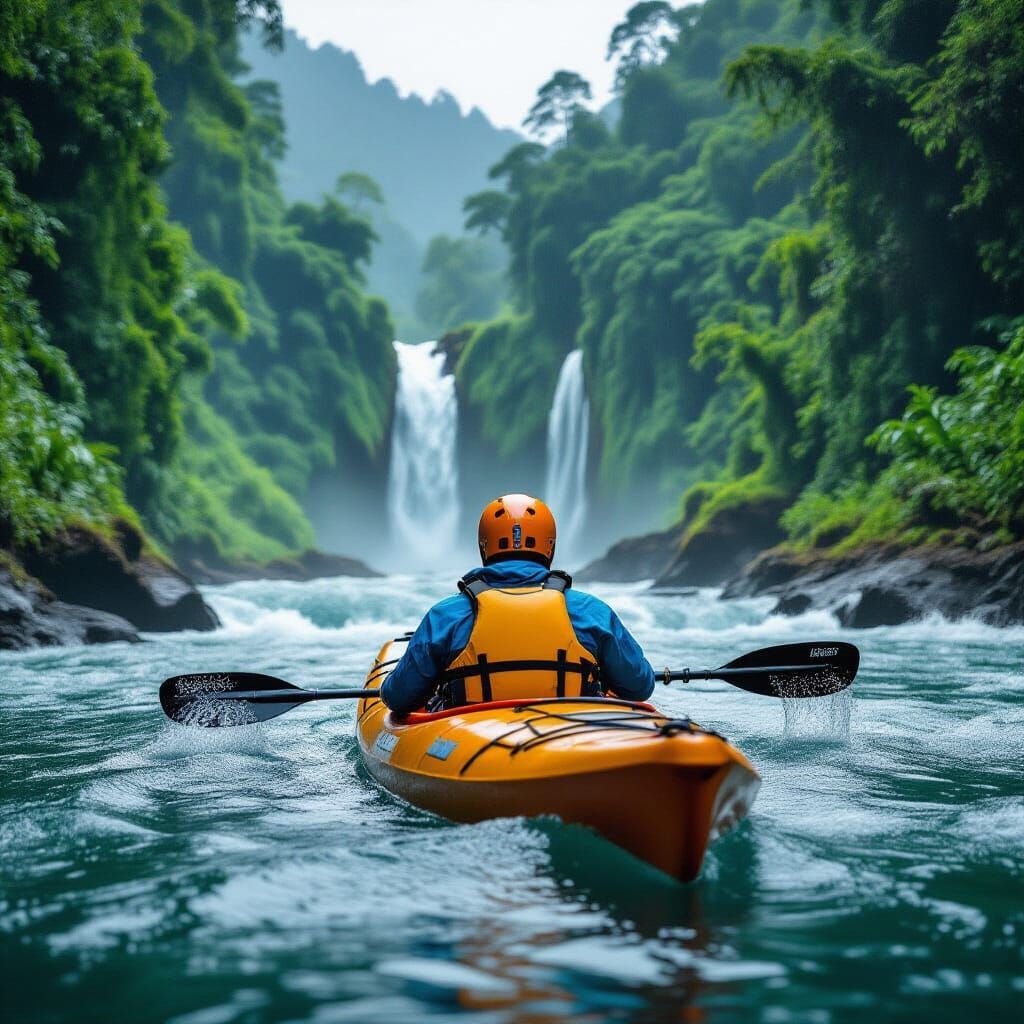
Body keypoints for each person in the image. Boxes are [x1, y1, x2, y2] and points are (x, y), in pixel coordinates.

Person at [381, 493, 656, 715]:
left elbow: (398, 697)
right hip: (572, 733)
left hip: (471, 739)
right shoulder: (591, 612)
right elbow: (639, 685)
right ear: (549, 548)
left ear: (484, 547)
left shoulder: (445, 616)